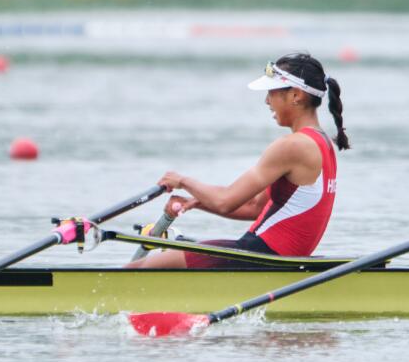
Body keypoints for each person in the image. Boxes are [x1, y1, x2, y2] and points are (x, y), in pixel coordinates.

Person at [126, 52, 349, 269]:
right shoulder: (324, 143)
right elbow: (255, 207)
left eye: (271, 92)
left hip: (260, 258)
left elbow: (225, 201)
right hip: (271, 258)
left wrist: (182, 181)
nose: (267, 101)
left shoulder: (293, 146)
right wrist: (196, 202)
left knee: (135, 269)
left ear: (296, 95)